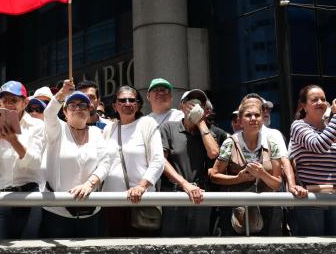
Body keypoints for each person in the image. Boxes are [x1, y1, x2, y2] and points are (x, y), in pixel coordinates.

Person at [41, 79, 111, 238]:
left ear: (89, 110)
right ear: (65, 112)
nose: (78, 108)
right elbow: (49, 113)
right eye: (73, 105)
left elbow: (105, 163)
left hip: (90, 211)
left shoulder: (97, 133)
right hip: (57, 211)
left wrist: (89, 183)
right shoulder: (57, 130)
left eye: (83, 105)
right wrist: (62, 93)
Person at [209, 95, 282, 236]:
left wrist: (262, 174)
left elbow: (278, 184)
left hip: (268, 212)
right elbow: (214, 176)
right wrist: (238, 178)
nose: (253, 118)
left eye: (257, 115)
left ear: (262, 119)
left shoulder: (272, 144)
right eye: (248, 115)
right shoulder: (229, 143)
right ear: (240, 121)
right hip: (236, 213)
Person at [0, 81, 44, 239]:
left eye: (14, 100)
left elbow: (35, 163)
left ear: (25, 102)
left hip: (28, 197)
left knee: (28, 249)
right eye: (4, 100)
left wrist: (13, 140)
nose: (8, 105)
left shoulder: (37, 125)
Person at [102, 86, 164, 236]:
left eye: (132, 100)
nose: (127, 103)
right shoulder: (109, 129)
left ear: (138, 104)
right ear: (115, 105)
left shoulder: (147, 123)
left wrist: (141, 187)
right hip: (112, 202)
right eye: (122, 100)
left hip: (139, 201)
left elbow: (158, 160)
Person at [158, 88, 220, 237]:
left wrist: (200, 123)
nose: (195, 106)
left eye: (199, 104)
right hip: (174, 194)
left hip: (200, 195)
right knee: (171, 243)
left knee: (199, 243)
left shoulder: (209, 132)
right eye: (191, 103)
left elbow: (213, 153)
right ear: (181, 106)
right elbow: (161, 160)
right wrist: (184, 184)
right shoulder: (168, 128)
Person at [289, 85, 336, 235]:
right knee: (315, 246)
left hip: (334, 197)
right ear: (303, 105)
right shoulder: (298, 126)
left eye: (323, 99)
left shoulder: (330, 127)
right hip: (310, 199)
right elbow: (318, 145)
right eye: (314, 99)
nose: (320, 102)